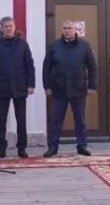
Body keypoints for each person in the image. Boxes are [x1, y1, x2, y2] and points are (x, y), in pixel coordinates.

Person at [42, 20, 98, 157]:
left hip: (78, 89)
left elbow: (92, 67)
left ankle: (82, 146)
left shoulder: (84, 45)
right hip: (58, 90)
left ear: (75, 30)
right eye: (64, 28)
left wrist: (92, 86)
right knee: (55, 120)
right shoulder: (54, 46)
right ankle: (52, 147)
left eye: (69, 28)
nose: (67, 30)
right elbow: (46, 68)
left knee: (80, 120)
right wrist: (47, 86)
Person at [0, 16, 35, 158]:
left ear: (14, 26)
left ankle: (22, 148)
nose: (8, 29)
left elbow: (29, 65)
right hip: (1, 87)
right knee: (1, 120)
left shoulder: (22, 44)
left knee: (21, 120)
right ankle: (1, 149)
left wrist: (31, 84)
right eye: (5, 26)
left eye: (10, 26)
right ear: (1, 28)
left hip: (20, 86)